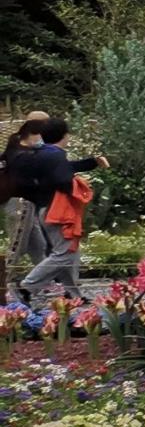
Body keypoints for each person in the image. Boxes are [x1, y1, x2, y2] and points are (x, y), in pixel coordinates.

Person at [15, 117, 104, 304]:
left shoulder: (42, 153)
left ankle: (74, 295)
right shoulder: (55, 155)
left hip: (45, 208)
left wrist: (91, 162)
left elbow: (63, 169)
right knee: (65, 253)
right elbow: (62, 179)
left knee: (69, 252)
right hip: (57, 210)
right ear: (65, 136)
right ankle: (27, 286)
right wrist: (78, 184)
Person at [3, 113, 50, 270]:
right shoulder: (22, 156)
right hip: (19, 204)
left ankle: (42, 282)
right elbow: (24, 182)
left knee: (38, 245)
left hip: (27, 204)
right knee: (17, 246)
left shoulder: (14, 148)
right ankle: (5, 283)